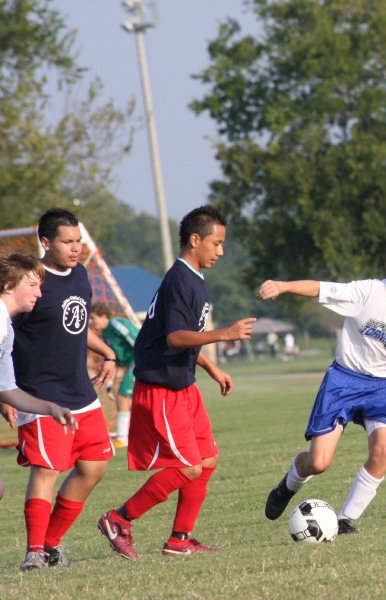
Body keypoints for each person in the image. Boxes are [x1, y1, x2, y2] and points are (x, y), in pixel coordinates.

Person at [257, 240, 386, 534]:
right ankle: (287, 486)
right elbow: (320, 288)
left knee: (384, 450)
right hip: (343, 381)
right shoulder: (370, 292)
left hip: (383, 388)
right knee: (319, 462)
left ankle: (344, 519)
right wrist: (282, 286)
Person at [97, 205, 255, 560]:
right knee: (187, 467)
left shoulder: (192, 278)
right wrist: (225, 333)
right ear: (195, 240)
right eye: (216, 243)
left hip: (183, 386)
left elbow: (186, 334)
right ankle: (118, 519)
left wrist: (212, 368)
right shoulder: (182, 280)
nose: (220, 251)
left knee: (208, 459)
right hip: (162, 389)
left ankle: (180, 540)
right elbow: (175, 337)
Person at [5, 209, 118, 572]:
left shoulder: (81, 275)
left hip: (81, 394)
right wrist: (6, 395)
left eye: (78, 241)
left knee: (94, 467)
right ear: (45, 242)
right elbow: (7, 333)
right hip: (39, 395)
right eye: (67, 242)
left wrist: (108, 353)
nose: (76, 249)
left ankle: (51, 545)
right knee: (46, 470)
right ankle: (34, 552)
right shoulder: (29, 282)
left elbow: (78, 322)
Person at [0, 253, 79, 503]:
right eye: (32, 285)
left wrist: (51, 408)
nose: (39, 294)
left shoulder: (7, 329)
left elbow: (7, 390)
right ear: (9, 286)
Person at [89, 302, 139, 448]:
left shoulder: (117, 324)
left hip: (137, 363)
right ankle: (133, 434)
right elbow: (114, 359)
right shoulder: (105, 333)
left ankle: (123, 439)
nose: (91, 322)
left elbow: (137, 340)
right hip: (130, 365)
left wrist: (144, 361)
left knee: (123, 397)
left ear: (104, 316)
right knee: (128, 400)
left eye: (93, 317)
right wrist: (110, 382)